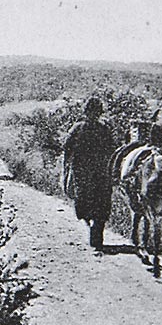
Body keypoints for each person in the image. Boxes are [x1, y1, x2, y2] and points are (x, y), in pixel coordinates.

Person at [63, 95, 115, 250]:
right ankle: (95, 229)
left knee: (90, 201)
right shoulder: (102, 129)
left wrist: (68, 167)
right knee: (97, 202)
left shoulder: (80, 128)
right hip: (95, 173)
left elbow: (67, 147)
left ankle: (95, 229)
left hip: (88, 173)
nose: (93, 115)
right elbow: (113, 150)